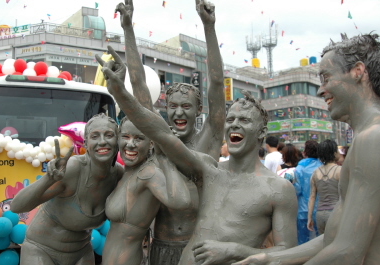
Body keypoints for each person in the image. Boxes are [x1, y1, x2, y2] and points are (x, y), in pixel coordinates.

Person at [100, 50, 298, 265]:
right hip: (165, 248)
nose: (234, 124)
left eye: (244, 120)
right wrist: (119, 91)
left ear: (261, 132)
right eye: (230, 119)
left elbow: (287, 252)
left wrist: (236, 251)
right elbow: (153, 121)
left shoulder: (276, 188)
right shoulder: (208, 170)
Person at [233, 32, 380, 265]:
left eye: (325, 78)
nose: (320, 90)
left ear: (358, 71)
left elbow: (348, 252)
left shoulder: (375, 138)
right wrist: (268, 259)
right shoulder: (368, 137)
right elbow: (333, 239)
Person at [109, 1, 226, 264]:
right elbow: (138, 84)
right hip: (160, 246)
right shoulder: (158, 136)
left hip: (197, 249)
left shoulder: (209, 140)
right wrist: (127, 27)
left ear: (199, 110)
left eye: (186, 107)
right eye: (172, 107)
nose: (178, 113)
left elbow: (217, 84)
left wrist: (209, 26)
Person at [11, 114, 124, 265]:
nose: (102, 141)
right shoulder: (73, 169)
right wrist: (48, 179)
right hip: (42, 249)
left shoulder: (118, 175)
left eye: (109, 135)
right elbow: (17, 206)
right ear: (86, 144)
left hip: (81, 252)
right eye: (95, 136)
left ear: (117, 141)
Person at [102, 117, 191, 265]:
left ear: (151, 143)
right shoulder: (126, 172)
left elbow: (182, 201)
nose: (130, 144)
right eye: (125, 136)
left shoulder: (148, 173)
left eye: (138, 138)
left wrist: (165, 157)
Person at [307, 139, 341, 235]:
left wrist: (309, 217)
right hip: (336, 213)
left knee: (323, 242)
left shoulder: (315, 173)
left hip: (320, 215)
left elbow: (312, 197)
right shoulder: (340, 171)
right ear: (334, 153)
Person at [293, 140, 321, 245]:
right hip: (320, 208)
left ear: (305, 152)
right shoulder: (322, 167)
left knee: (302, 241)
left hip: (303, 209)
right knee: (321, 240)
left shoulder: (300, 168)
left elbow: (297, 189)